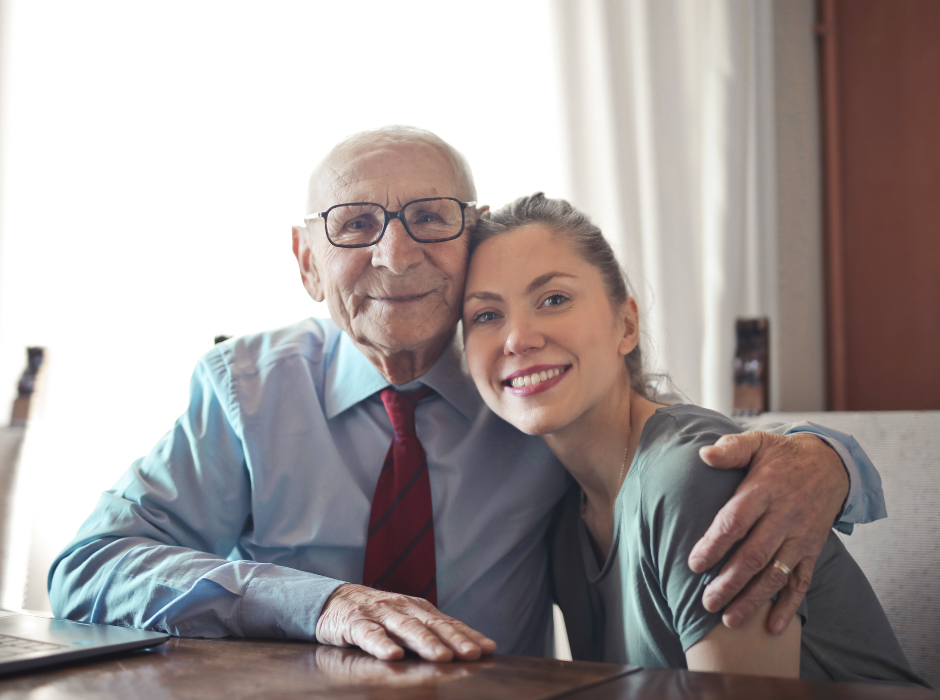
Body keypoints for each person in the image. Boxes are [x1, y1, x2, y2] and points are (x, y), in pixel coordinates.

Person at [50, 127, 885, 663]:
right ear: (307, 263)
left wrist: (829, 459)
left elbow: (672, 448)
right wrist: (321, 604)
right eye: (352, 225)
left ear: (468, 243)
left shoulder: (526, 390)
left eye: (429, 217)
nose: (395, 252)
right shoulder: (244, 393)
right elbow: (86, 567)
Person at [461, 192, 927, 686]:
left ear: (626, 324)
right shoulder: (564, 519)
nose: (517, 338)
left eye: (553, 299)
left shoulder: (694, 475)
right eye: (486, 316)